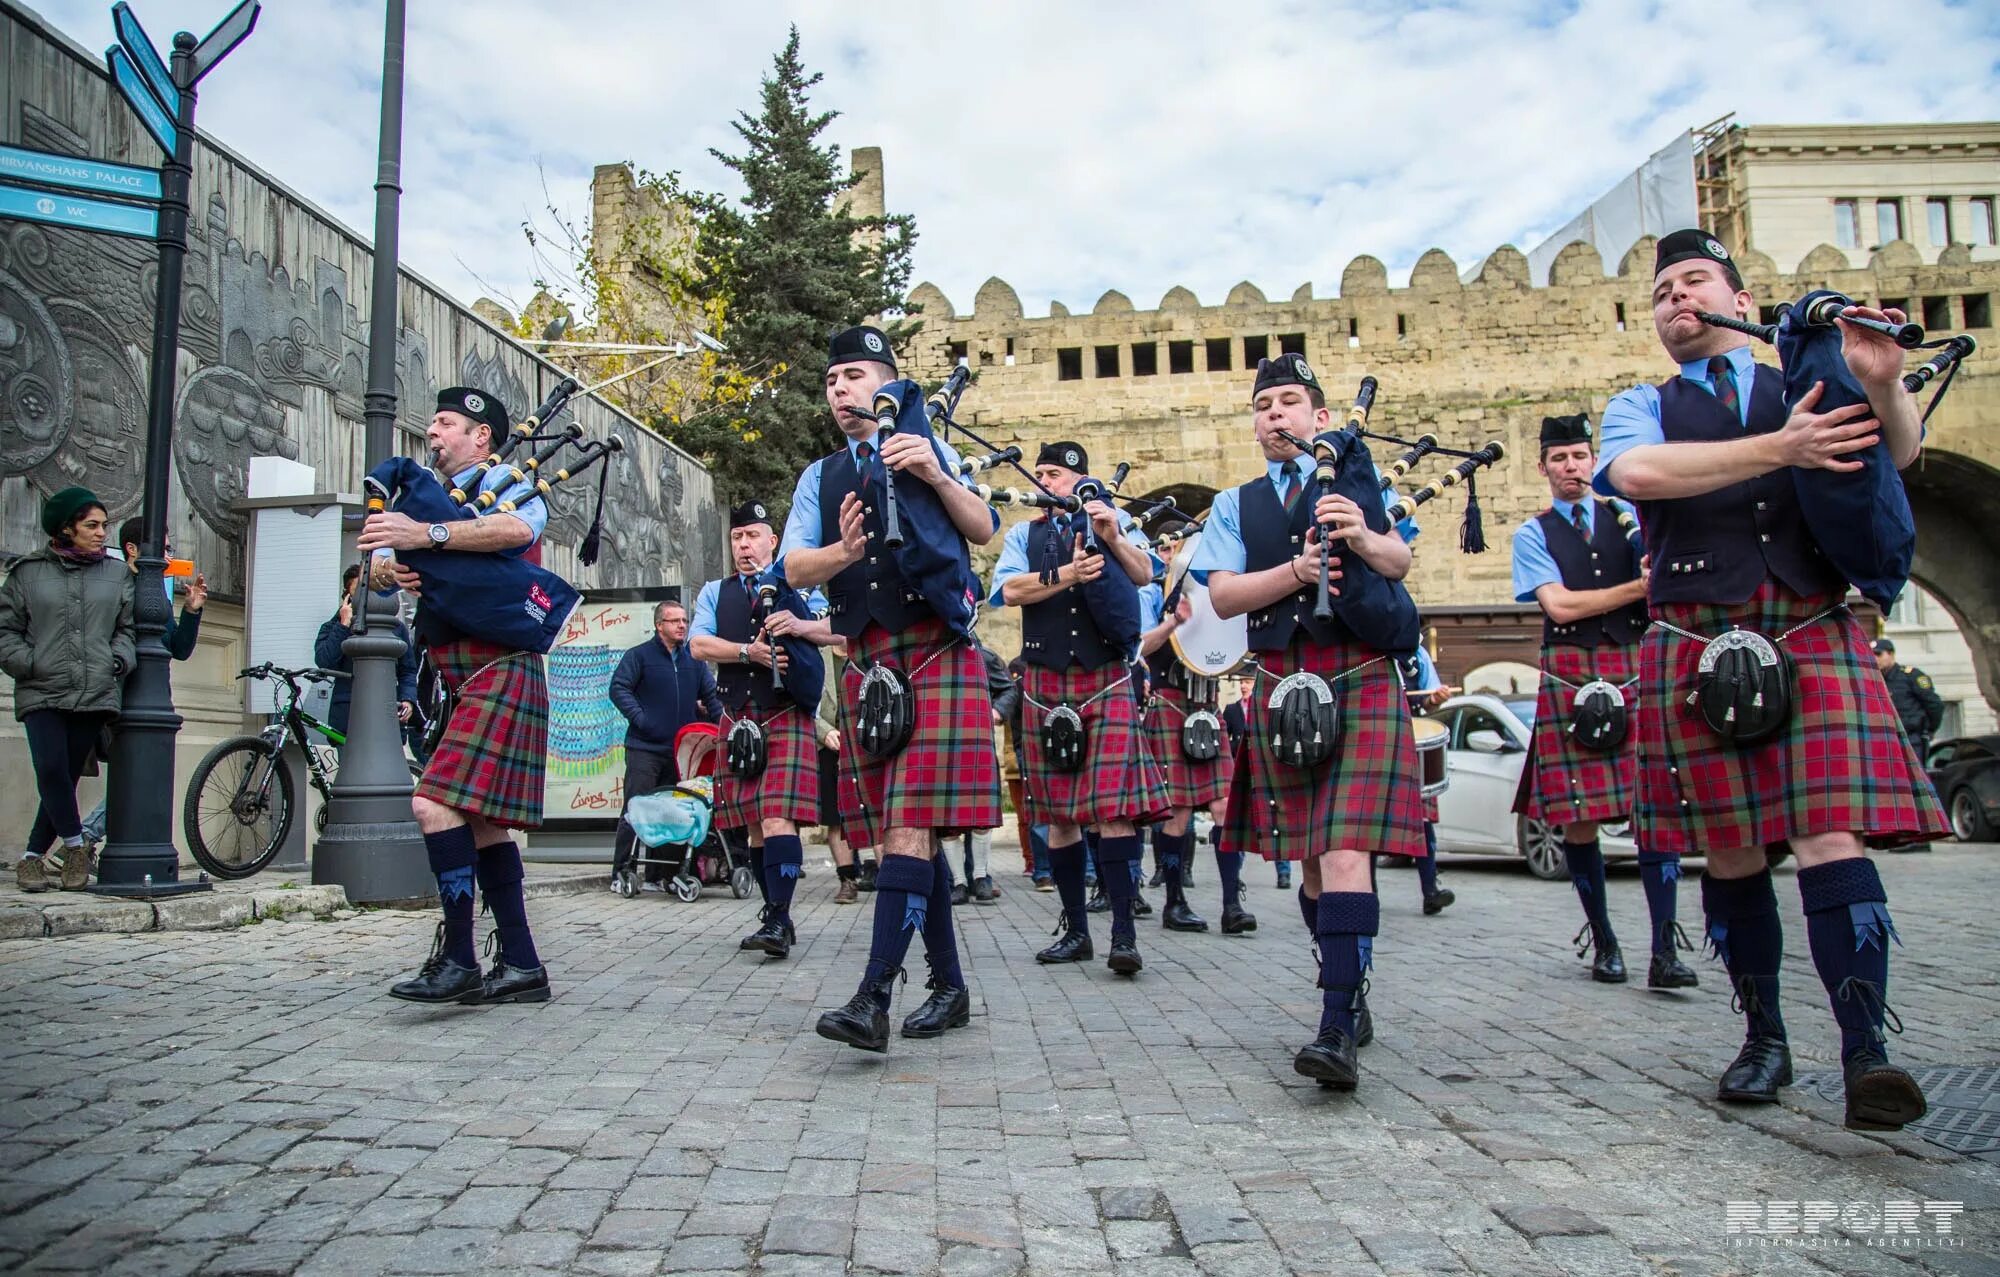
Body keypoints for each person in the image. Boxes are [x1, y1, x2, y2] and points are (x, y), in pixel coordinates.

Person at [1596, 229, 1949, 1129]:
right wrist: (1782, 448)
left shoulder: (1803, 377)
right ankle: (1763, 1036)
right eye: (1663, 289)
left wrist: (1881, 380)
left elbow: (1896, 457)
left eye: (1697, 281)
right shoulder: (1642, 403)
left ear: (1742, 302)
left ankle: (1867, 1051)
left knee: (1832, 838)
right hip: (1695, 633)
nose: (1678, 297)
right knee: (1733, 848)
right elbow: (1639, 473)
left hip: (1807, 623)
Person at [1193, 353, 1427, 1093]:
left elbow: (1400, 561)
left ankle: (1333, 1026)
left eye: (1290, 402)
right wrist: (1297, 573)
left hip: (1356, 674)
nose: (1276, 415)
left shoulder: (1360, 483)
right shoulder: (1236, 505)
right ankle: (1345, 978)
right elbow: (1225, 599)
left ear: (1319, 417)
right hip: (1281, 682)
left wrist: (1359, 534)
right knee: (1318, 864)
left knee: (1347, 847)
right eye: (1264, 405)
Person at [780, 325, 1001, 1051]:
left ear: (888, 383)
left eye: (854, 375)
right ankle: (949, 984)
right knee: (910, 832)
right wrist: (842, 552)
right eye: (831, 379)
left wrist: (937, 474)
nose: (840, 389)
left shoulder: (931, 444)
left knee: (907, 826)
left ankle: (873, 994)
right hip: (870, 663)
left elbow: (983, 525)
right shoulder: (820, 476)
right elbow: (793, 570)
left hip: (936, 649)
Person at [361, 387, 558, 1007]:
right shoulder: (417, 495)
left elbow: (517, 528)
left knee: (431, 805)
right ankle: (523, 966)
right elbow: (375, 565)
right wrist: (394, 565)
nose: (433, 431)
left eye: (447, 422)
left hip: (500, 664)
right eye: (433, 422)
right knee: (482, 825)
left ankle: (458, 959)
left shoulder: (503, 482)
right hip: (454, 673)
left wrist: (430, 532)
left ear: (482, 436)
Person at [1511, 414, 1694, 988]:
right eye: (1559, 460)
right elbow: (1560, 607)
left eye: (1580, 457)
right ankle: (1606, 943)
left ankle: (1664, 950)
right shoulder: (1533, 534)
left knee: (1654, 811)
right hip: (1571, 670)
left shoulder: (1634, 519)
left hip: (1635, 664)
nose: (1572, 468)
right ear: (1542, 468)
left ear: (1594, 460)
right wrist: (1638, 587)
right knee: (1580, 818)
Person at [991, 441, 1168, 975]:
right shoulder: (1025, 534)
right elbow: (1006, 592)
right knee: (1060, 817)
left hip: (1105, 679)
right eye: (1041, 473)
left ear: (1083, 480)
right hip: (1045, 684)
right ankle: (1075, 930)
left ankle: (1123, 934)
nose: (1047, 482)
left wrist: (1113, 534)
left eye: (1057, 474)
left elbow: (1146, 574)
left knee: (1113, 815)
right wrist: (1067, 575)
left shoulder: (1116, 522)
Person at [689, 500, 834, 959]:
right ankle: (773, 912)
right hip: (737, 718)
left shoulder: (802, 586)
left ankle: (780, 916)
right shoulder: (715, 591)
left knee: (776, 818)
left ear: (773, 541)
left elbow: (840, 632)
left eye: (753, 535)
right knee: (753, 825)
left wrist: (801, 624)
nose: (744, 544)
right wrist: (748, 653)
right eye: (737, 537)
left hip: (785, 713)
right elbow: (698, 645)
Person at [0, 488, 134, 893]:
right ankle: (76, 847)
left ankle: (30, 858)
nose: (100, 533)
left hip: (94, 690)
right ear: (65, 528)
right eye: (91, 525)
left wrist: (116, 661)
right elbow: (6, 631)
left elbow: (127, 628)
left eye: (103, 525)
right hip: (41, 689)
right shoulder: (26, 573)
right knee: (52, 770)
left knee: (67, 776)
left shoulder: (116, 575)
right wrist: (31, 663)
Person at [76, 520, 208, 843]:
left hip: (155, 699)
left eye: (167, 549)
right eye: (161, 548)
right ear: (132, 550)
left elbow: (178, 648)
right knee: (135, 775)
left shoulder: (157, 596)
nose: (166, 555)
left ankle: (85, 840)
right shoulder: (118, 588)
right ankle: (83, 839)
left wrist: (191, 611)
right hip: (124, 696)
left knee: (141, 775)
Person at [1137, 549, 1236, 934]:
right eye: (1164, 547)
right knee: (1177, 811)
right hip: (1171, 701)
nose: (1170, 552)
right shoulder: (1149, 590)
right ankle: (1174, 902)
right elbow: (1138, 647)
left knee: (1225, 805)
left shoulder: (1220, 587)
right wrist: (1171, 623)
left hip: (1207, 706)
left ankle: (1232, 903)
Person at [609, 598, 720, 890]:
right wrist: (642, 719)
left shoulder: (694, 661)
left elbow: (711, 697)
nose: (683, 625)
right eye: (676, 621)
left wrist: (724, 730)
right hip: (644, 748)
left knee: (674, 814)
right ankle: (622, 872)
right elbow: (618, 688)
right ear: (660, 625)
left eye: (685, 620)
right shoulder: (640, 656)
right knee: (635, 810)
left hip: (680, 752)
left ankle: (663, 875)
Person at [314, 565, 419, 740]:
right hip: (348, 718)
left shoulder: (396, 628)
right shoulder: (333, 627)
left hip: (386, 715)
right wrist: (343, 625)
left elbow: (407, 669)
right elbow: (324, 662)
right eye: (358, 593)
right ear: (346, 596)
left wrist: (408, 699)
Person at [1392, 644, 1457, 916]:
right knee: (1370, 822)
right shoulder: (1366, 643)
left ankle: (1430, 891)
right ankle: (1365, 890)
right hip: (1376, 735)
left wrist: (1435, 699)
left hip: (1411, 736)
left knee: (1422, 821)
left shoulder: (1416, 652)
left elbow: (1427, 699)